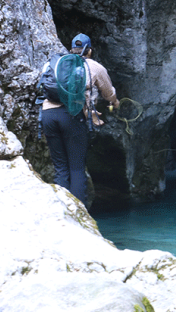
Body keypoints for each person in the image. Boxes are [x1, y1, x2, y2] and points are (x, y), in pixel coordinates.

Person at [40, 33, 120, 204]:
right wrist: (115, 101)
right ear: (89, 51)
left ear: (71, 49)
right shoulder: (94, 66)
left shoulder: (55, 62)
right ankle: (79, 215)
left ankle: (62, 210)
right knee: (76, 168)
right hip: (72, 116)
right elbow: (108, 93)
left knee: (61, 168)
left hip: (48, 114)